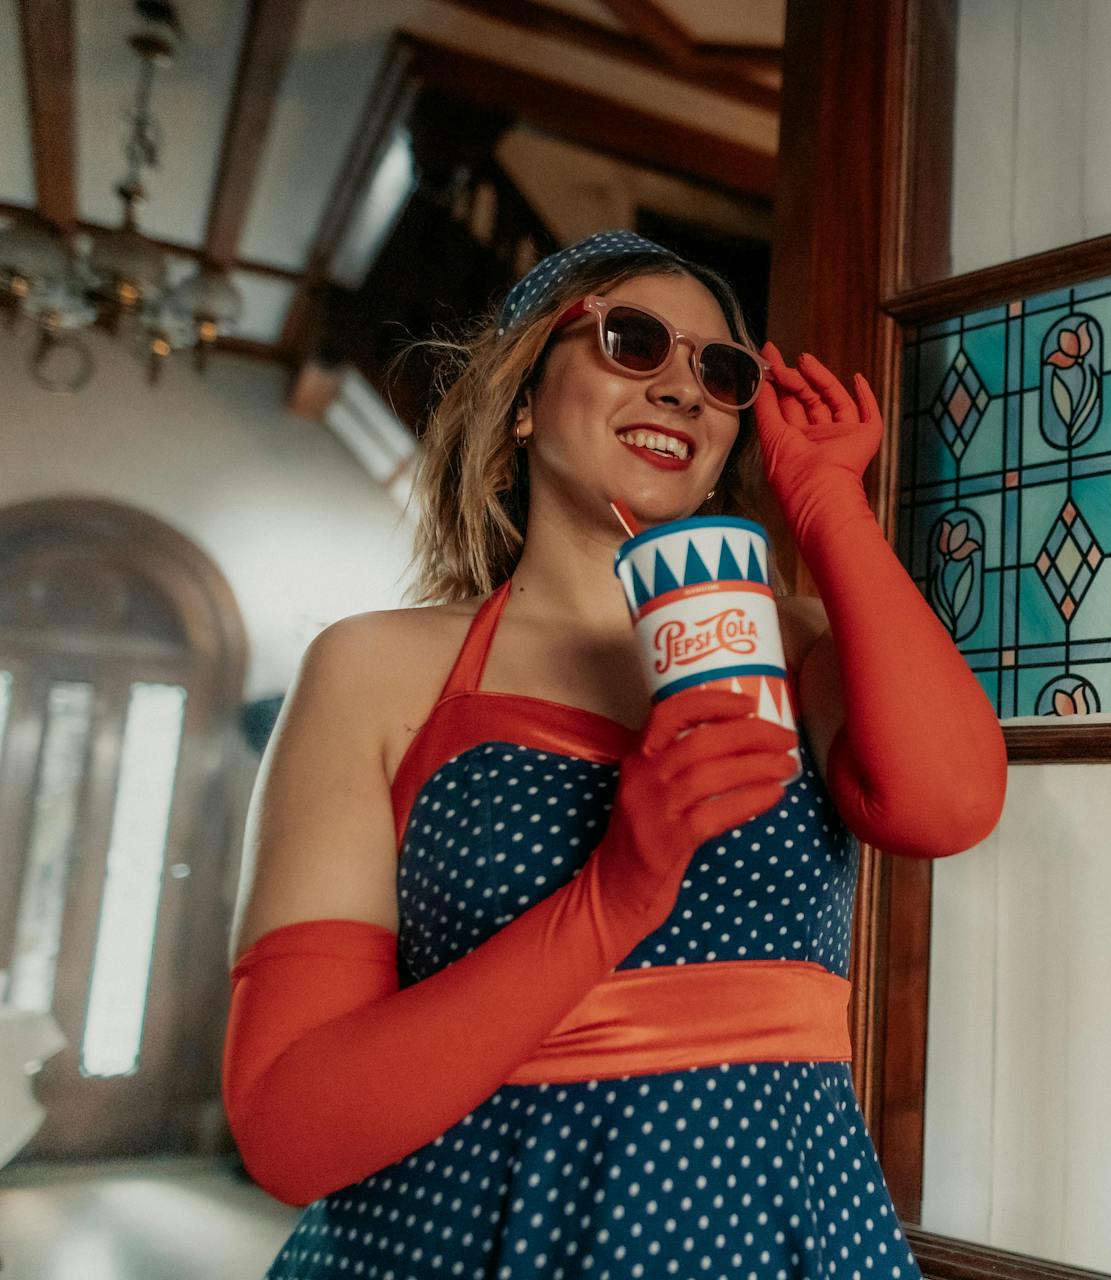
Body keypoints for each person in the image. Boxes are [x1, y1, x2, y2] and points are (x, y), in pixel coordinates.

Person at [223, 230, 1007, 1278]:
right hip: (454, 1240)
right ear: (526, 397)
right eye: (634, 342)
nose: (685, 386)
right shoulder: (373, 668)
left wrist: (828, 506)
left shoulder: (800, 645)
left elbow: (946, 804)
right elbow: (288, 1123)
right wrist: (612, 896)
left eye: (720, 370)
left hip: (782, 1234)